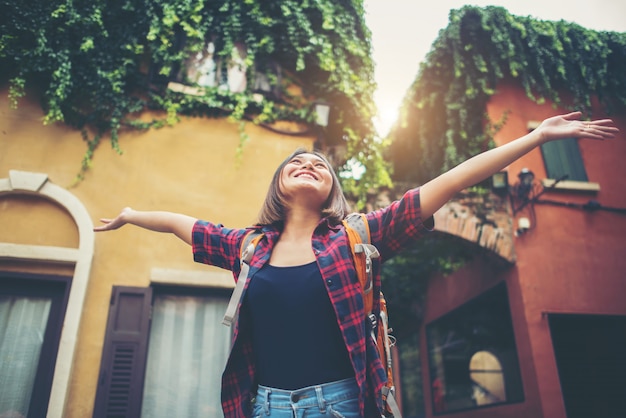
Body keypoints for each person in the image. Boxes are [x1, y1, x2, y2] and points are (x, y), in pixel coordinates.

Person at [95, 111, 618, 417]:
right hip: (266, 406)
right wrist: (131, 214)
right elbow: (183, 224)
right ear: (279, 185)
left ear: (331, 190)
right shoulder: (247, 247)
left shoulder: (359, 236)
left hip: (340, 404)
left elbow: (451, 182)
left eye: (320, 165)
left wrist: (535, 138)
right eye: (296, 162)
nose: (307, 164)